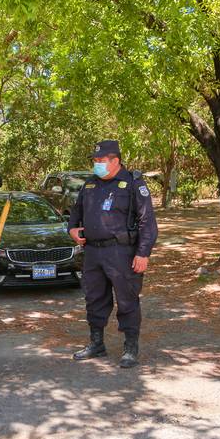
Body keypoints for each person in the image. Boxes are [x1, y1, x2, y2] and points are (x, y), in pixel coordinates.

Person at [67, 140, 158, 368]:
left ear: (115, 161)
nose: (96, 165)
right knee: (94, 298)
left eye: (101, 161)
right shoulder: (90, 184)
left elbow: (148, 222)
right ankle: (97, 343)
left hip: (121, 252)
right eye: (95, 161)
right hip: (93, 252)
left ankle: (130, 347)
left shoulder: (133, 184)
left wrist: (143, 253)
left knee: (127, 300)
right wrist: (72, 228)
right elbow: (76, 210)